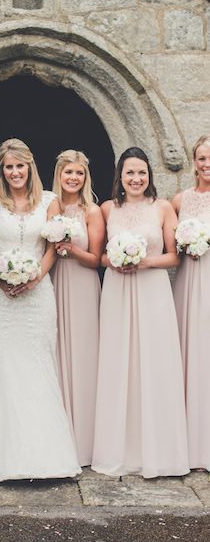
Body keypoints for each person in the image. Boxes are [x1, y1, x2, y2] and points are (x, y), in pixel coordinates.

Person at [0, 138, 80, 482]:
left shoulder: (50, 202)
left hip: (37, 295)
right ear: (2, 170)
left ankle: (45, 456)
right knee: (0, 366)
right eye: (8, 167)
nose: (14, 172)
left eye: (20, 166)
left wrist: (35, 278)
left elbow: (53, 249)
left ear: (30, 167)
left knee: (36, 365)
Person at [92, 147, 188, 478]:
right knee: (119, 362)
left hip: (152, 290)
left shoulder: (162, 208)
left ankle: (159, 451)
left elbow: (175, 256)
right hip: (118, 290)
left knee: (155, 362)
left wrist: (143, 261)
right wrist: (116, 259)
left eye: (142, 172)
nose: (136, 179)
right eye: (130, 172)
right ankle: (119, 448)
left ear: (150, 176)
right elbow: (99, 256)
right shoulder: (107, 209)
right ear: (120, 176)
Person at [50, 150, 104, 467]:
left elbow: (96, 259)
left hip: (83, 284)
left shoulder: (92, 211)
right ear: (59, 174)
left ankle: (85, 440)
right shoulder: (50, 206)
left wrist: (71, 248)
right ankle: (59, 435)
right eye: (68, 172)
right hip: (55, 282)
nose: (74, 178)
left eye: (79, 173)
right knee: (56, 352)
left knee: (84, 355)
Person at [172, 135, 210, 471]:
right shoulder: (179, 199)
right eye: (202, 158)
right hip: (188, 280)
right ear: (193, 161)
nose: (207, 164)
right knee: (188, 352)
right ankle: (187, 442)